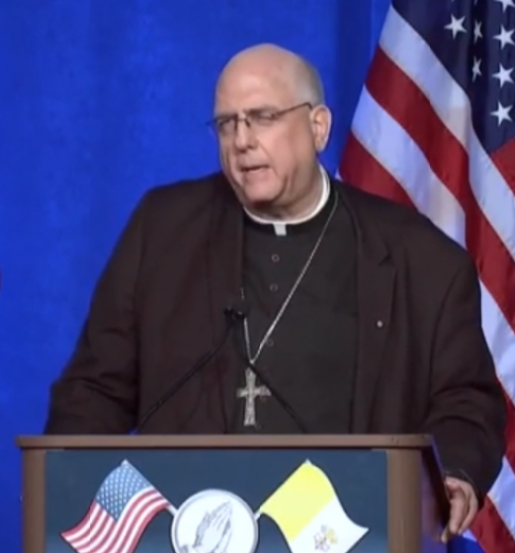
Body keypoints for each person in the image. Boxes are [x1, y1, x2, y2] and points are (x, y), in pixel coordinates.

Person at [42, 43, 507, 538]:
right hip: (189, 532)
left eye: (263, 117)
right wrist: (70, 480)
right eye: (227, 123)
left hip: (349, 534)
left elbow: (465, 400)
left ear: (318, 127)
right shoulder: (162, 231)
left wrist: (455, 472)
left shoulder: (421, 259)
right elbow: (95, 387)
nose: (242, 140)